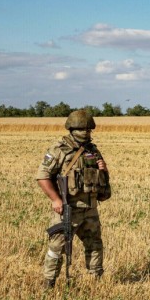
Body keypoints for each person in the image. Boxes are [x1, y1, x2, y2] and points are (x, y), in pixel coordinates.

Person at [35, 110, 111, 289]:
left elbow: (102, 181)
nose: (86, 132)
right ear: (72, 128)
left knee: (95, 245)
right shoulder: (58, 149)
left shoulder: (93, 150)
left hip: (90, 208)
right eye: (82, 129)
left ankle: (96, 280)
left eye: (88, 129)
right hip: (68, 207)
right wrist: (55, 199)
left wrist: (104, 170)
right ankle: (48, 284)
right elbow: (42, 176)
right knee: (57, 248)